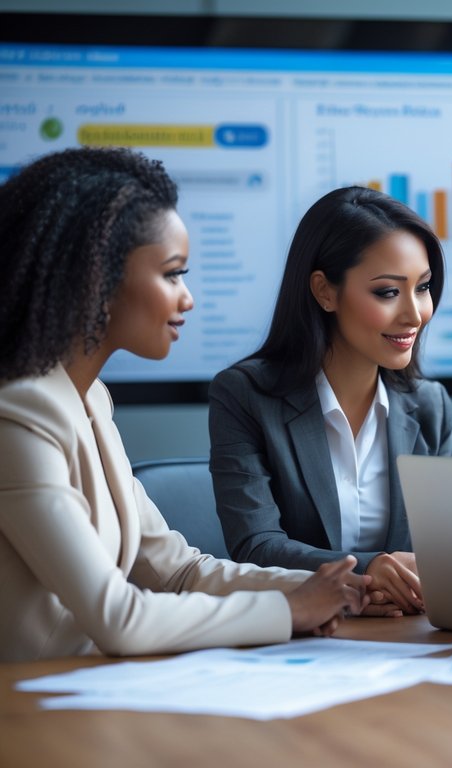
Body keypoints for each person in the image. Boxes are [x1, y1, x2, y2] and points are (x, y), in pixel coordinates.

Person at [0, 147, 367, 662]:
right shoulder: (18, 416)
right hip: (29, 712)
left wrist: (344, 587)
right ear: (95, 280)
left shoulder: (89, 402)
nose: (187, 297)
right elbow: (118, 618)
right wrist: (291, 611)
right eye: (172, 274)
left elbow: (177, 571)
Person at [209, 186, 452, 618]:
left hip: (405, 637)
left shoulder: (430, 406)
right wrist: (367, 570)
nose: (415, 314)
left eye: (423, 287)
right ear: (325, 291)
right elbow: (256, 546)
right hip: (299, 638)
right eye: (387, 292)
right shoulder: (245, 395)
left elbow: (439, 550)